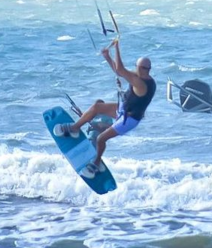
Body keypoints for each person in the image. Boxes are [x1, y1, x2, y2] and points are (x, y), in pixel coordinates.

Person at [53, 41, 156, 177]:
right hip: (123, 108)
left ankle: (96, 163)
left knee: (101, 139)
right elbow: (120, 72)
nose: (135, 69)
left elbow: (120, 70)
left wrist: (117, 47)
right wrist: (107, 57)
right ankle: (75, 128)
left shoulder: (141, 83)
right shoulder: (141, 76)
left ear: (141, 68)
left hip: (128, 119)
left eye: (136, 66)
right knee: (97, 107)